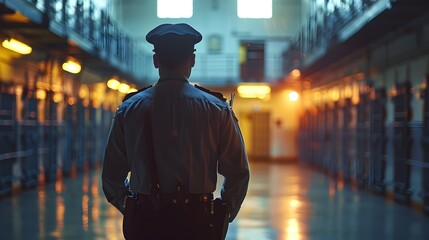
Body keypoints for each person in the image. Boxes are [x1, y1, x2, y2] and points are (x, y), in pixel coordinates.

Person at [102, 23, 250, 240]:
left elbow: (111, 175)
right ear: (192, 60)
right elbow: (238, 171)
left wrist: (131, 206)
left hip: (146, 219)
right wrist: (223, 212)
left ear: (155, 61)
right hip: (199, 221)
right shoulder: (217, 109)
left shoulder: (130, 108)